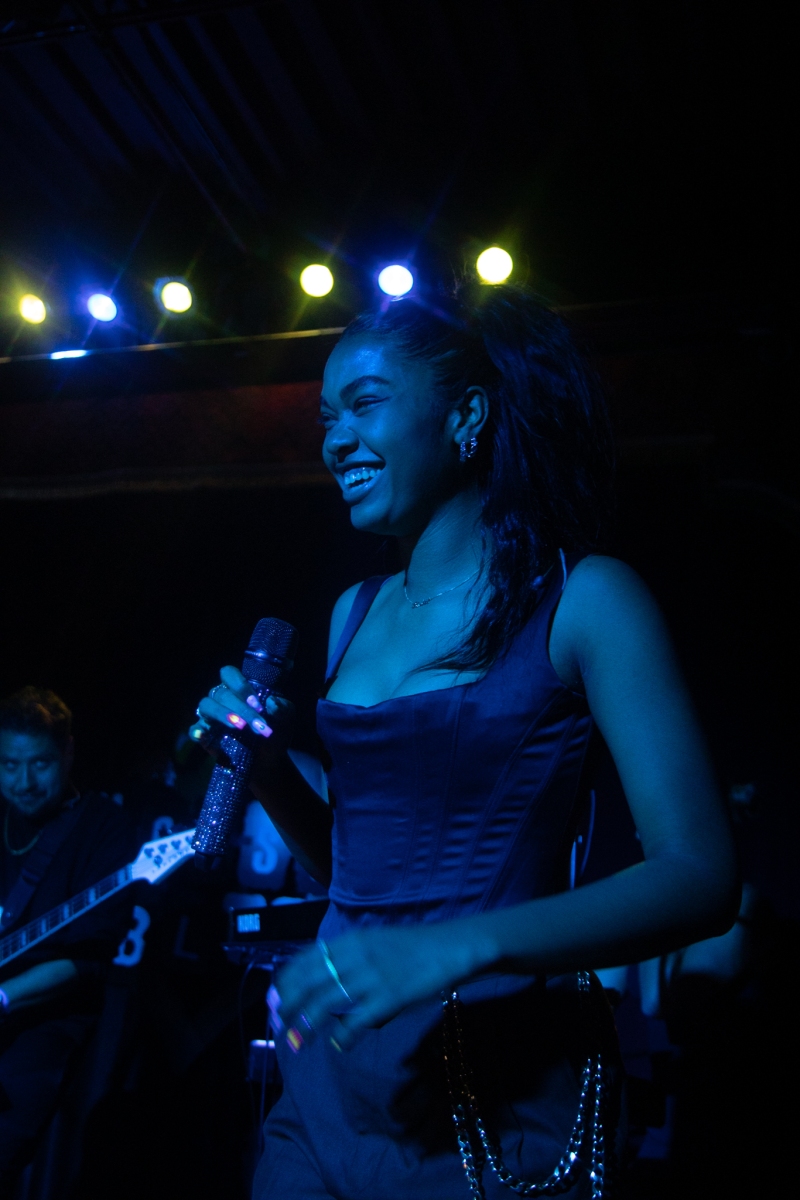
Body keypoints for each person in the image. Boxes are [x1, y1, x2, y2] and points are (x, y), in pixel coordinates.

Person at [192, 285, 738, 1199]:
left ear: (467, 417)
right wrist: (271, 768)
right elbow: (354, 874)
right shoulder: (353, 612)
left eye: (365, 404)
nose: (334, 441)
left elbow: (701, 874)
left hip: (491, 1092)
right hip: (330, 1084)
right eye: (326, 418)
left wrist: (456, 946)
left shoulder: (587, 599)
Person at [0, 686, 134, 1186]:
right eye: (9, 765)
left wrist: (2, 997)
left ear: (68, 753)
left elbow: (88, 961)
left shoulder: (104, 828)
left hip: (43, 1018)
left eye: (40, 764)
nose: (24, 782)